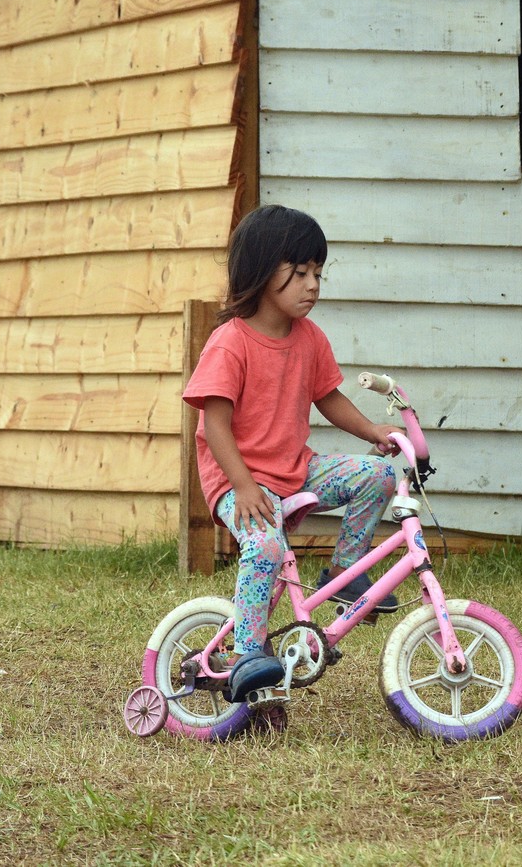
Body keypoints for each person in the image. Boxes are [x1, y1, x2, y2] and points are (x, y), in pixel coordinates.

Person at [183, 205, 405, 702]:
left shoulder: (309, 339)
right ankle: (246, 655)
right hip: (238, 482)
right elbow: (213, 424)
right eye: (300, 272)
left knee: (377, 475)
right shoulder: (230, 343)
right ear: (263, 272)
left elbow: (328, 397)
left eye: (318, 274)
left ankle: (347, 572)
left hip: (294, 470)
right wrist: (241, 486)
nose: (313, 285)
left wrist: (372, 430)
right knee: (263, 548)